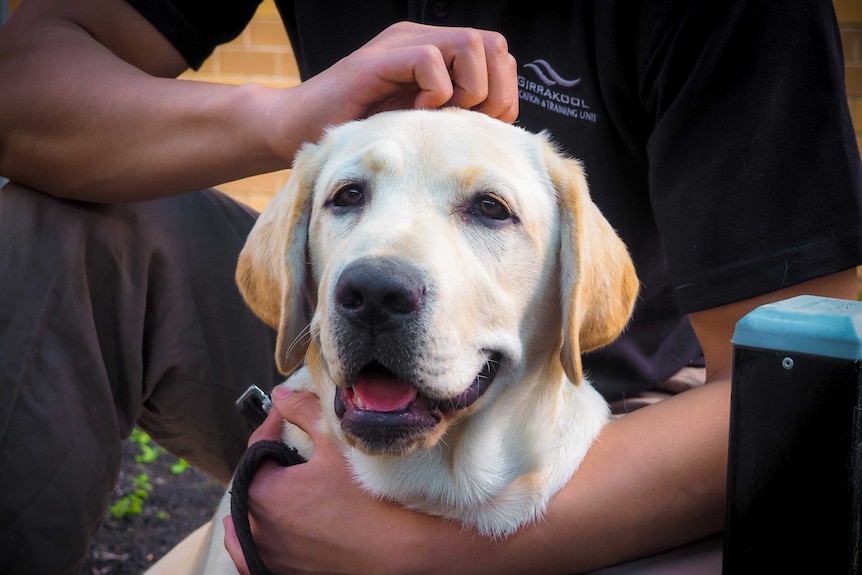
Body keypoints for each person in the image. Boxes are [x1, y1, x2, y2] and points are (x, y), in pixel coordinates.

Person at [0, 1, 859, 574]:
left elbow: (800, 392)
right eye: (346, 197)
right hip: (323, 375)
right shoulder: (335, 269)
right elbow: (21, 83)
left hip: (619, 424)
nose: (380, 272)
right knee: (57, 221)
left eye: (487, 206)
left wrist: (415, 548)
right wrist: (284, 120)